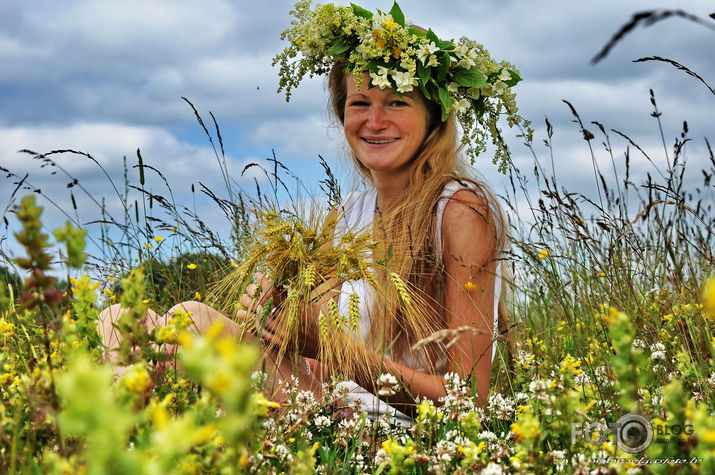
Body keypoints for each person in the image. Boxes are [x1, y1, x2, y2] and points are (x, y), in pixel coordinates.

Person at [97, 1, 526, 424]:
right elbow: (317, 356)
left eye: (396, 102)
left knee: (185, 326)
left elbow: (469, 401)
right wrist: (278, 316)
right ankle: (116, 429)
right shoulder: (348, 215)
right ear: (342, 114)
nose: (375, 120)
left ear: (433, 117)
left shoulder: (460, 210)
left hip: (384, 430)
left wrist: (326, 343)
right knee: (119, 318)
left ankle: (103, 438)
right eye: (359, 104)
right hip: (326, 402)